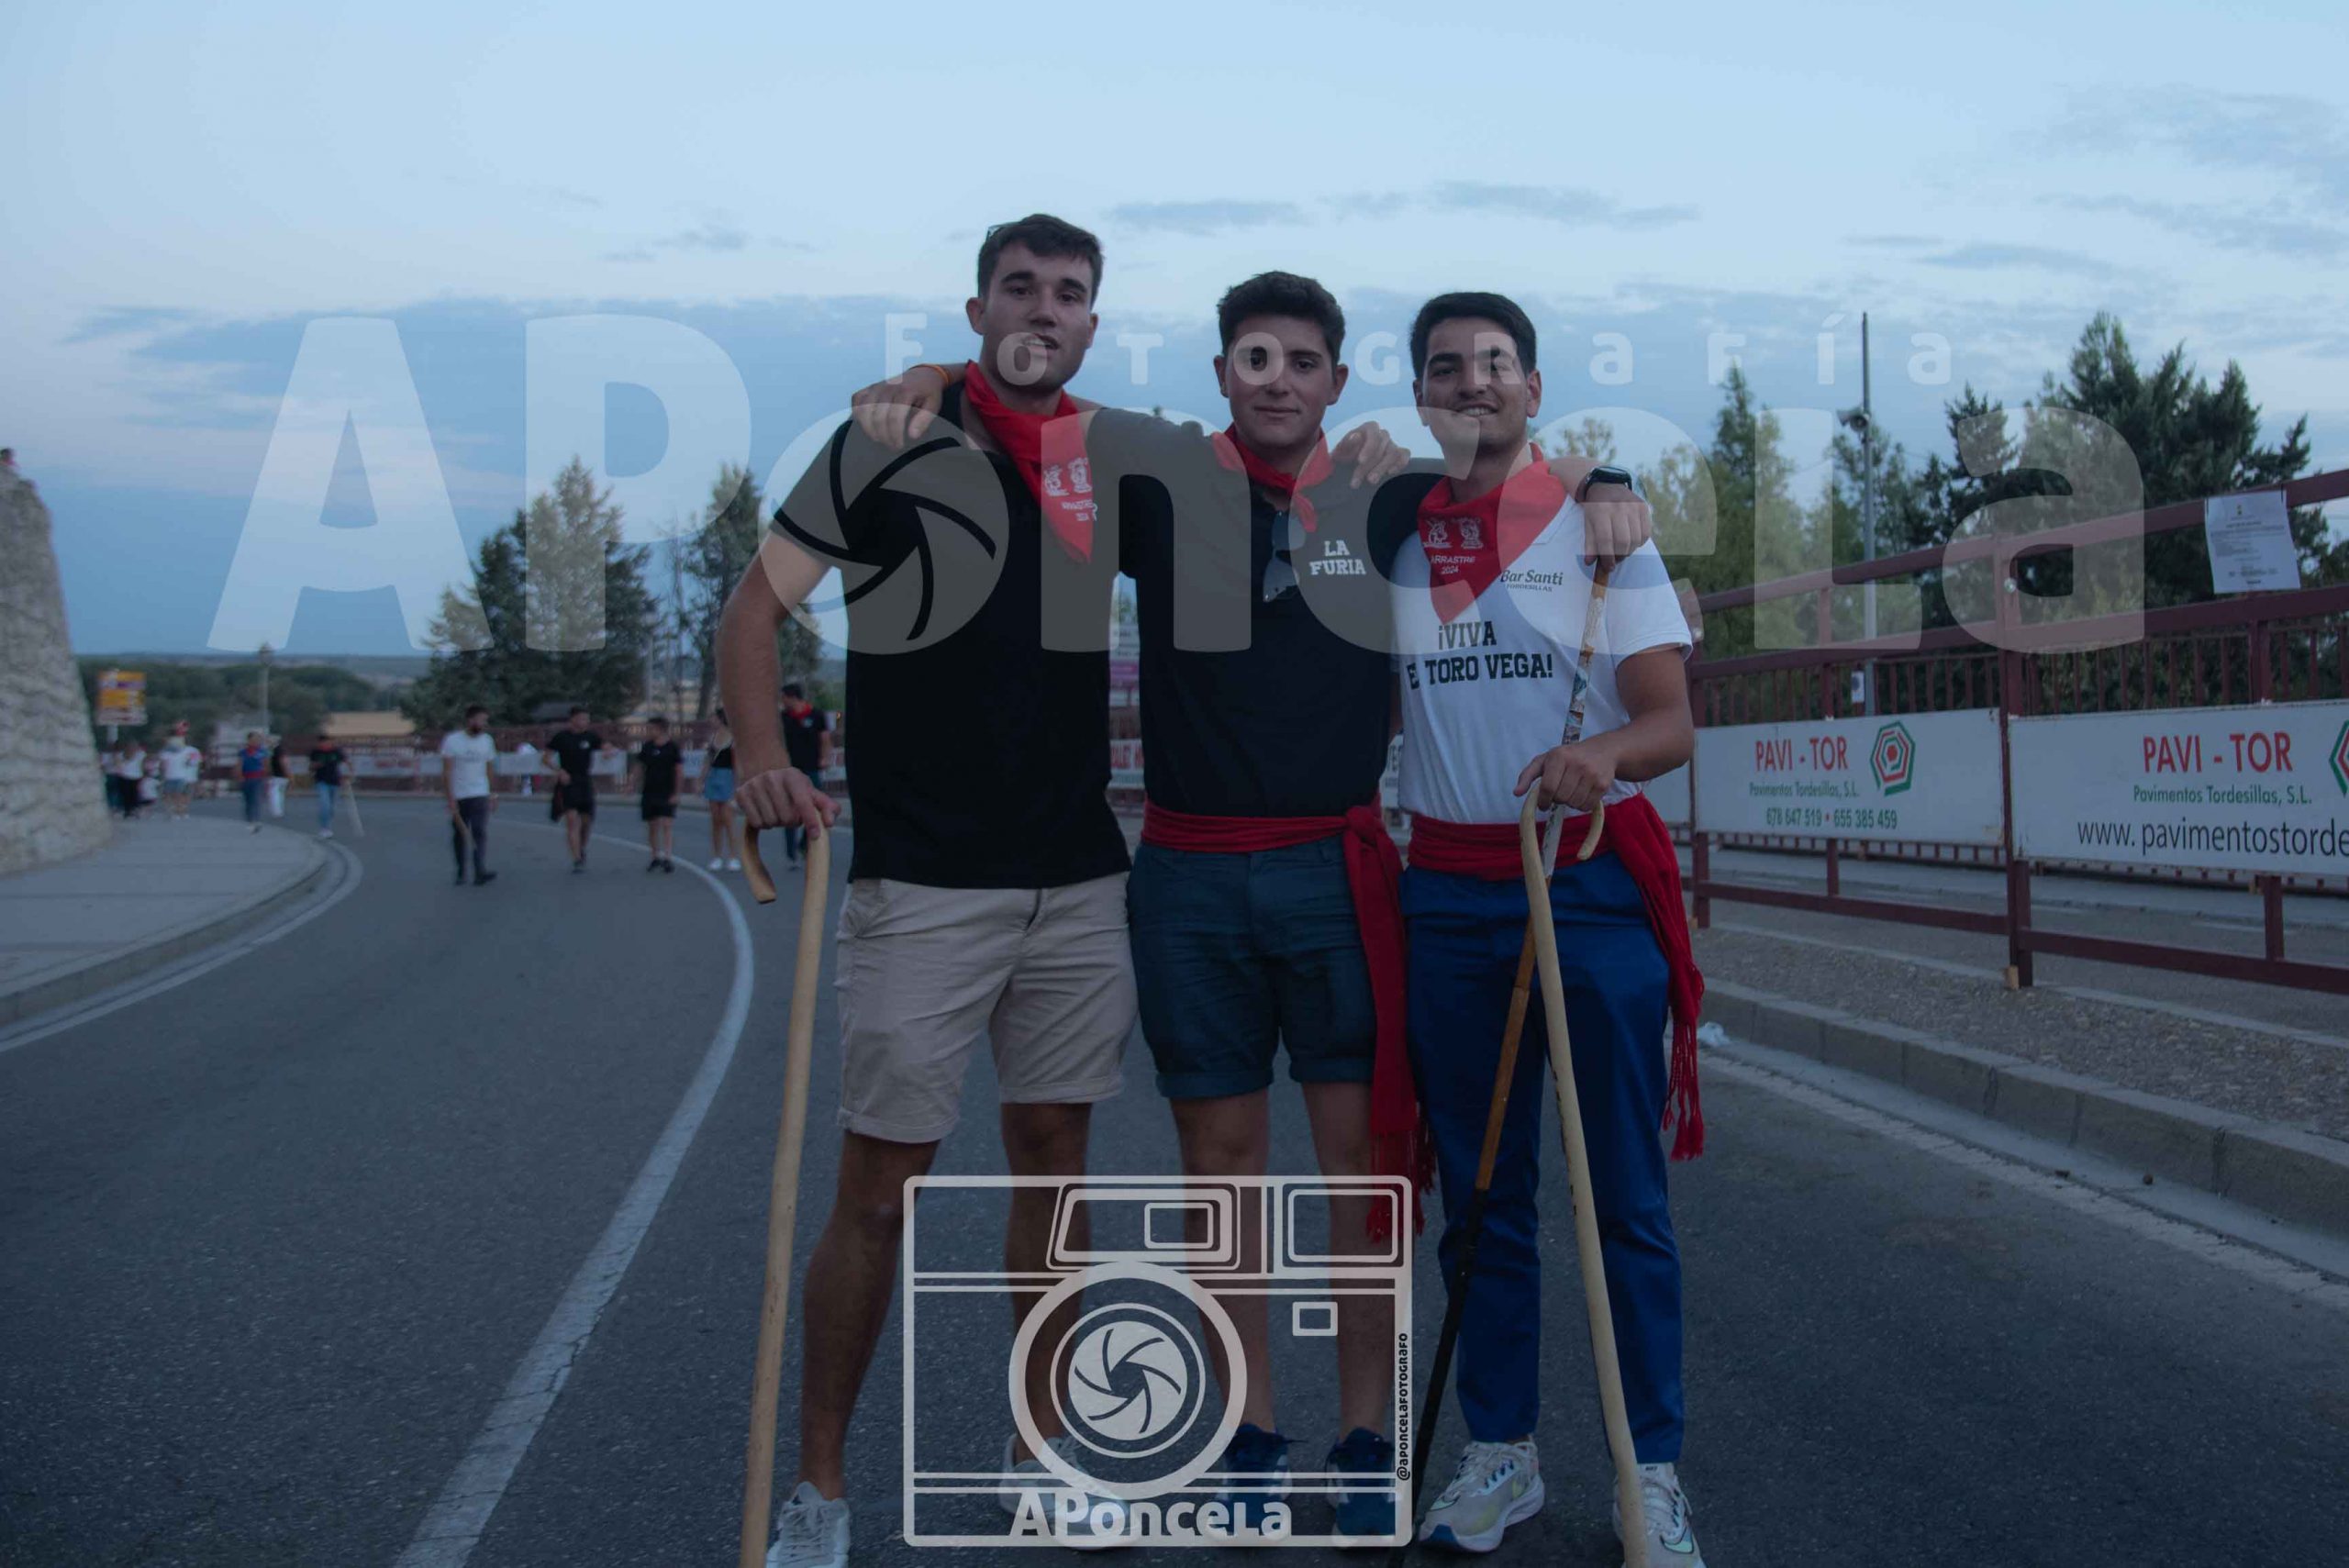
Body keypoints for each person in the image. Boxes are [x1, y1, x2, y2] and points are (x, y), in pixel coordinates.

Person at [853, 273, 1653, 1541]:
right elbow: (1028, 401)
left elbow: (1510, 463)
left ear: (1339, 381)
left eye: (1303, 361)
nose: (1279, 379)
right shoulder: (1158, 475)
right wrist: (932, 381)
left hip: (1334, 872)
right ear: (1222, 373)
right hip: (1190, 873)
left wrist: (1610, 479)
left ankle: (1367, 1436)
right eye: (1254, 358)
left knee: (1360, 1175)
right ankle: (1248, 1433)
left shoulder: (1385, 488)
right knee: (1220, 1174)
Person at [720, 214, 1148, 1565]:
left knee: (1056, 1169)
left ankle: (1041, 1450)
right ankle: (820, 1486)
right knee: (881, 1185)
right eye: (1019, 286)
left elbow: (1280, 479)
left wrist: (1585, 472)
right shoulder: (888, 437)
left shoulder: (1116, 457)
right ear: (977, 311)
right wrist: (762, 758)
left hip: (1074, 872)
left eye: (1068, 293)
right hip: (924, 874)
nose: (1044, 308)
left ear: (1092, 323)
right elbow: (753, 608)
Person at [1376, 294, 1706, 1562]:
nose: (1473, 383)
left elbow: (1669, 724)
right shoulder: (1397, 540)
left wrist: (1601, 754)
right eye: (1446, 368)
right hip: (1452, 899)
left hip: (1584, 884)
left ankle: (1648, 1467)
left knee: (1621, 1193)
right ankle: (1501, 1452)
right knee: (1482, 1199)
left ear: (1532, 388)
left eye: (1496, 364)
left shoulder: (1602, 531)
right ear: (1422, 396)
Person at [439, 706, 499, 886]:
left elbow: (489, 768)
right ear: (470, 720)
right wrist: (450, 798)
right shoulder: (452, 741)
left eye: (485, 720)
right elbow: (447, 771)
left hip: (480, 792)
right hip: (459, 794)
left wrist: (493, 794)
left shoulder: (487, 741)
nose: (484, 724)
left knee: (479, 830)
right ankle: (461, 871)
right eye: (481, 720)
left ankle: (480, 870)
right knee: (460, 833)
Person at [777, 684, 832, 871]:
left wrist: (825, 758)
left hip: (812, 769)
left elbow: (825, 739)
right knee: (791, 812)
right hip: (790, 771)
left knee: (816, 809)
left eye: (784, 697)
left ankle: (803, 845)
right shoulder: (783, 717)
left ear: (793, 697)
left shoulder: (816, 715)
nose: (782, 701)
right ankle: (791, 854)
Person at [543, 706, 605, 872]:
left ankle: (581, 847)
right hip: (568, 782)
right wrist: (559, 771)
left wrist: (609, 751)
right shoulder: (561, 737)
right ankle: (576, 859)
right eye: (583, 718)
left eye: (587, 719)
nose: (586, 722)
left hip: (585, 781)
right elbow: (546, 758)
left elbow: (606, 747)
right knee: (571, 820)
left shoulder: (591, 737)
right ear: (573, 720)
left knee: (586, 821)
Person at [631, 717, 683, 872]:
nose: (648, 731)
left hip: (667, 791)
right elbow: (639, 766)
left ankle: (668, 857)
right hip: (649, 791)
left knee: (667, 824)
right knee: (653, 825)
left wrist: (677, 793)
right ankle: (655, 856)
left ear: (660, 729)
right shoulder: (647, 747)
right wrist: (631, 784)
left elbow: (679, 771)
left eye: (651, 728)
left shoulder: (672, 747)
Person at [703, 707, 741, 871]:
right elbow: (707, 761)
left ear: (721, 719)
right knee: (715, 820)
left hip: (727, 777)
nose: (711, 720)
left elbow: (736, 765)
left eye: (714, 718)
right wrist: (701, 779)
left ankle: (733, 856)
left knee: (728, 819)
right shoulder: (712, 737)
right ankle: (717, 856)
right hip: (713, 777)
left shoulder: (733, 739)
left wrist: (736, 788)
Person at [159, 725, 202, 820]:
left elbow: (194, 763)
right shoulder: (170, 750)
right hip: (179, 775)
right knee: (177, 794)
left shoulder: (192, 750)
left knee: (182, 795)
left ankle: (181, 811)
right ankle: (179, 811)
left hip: (187, 776)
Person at [309, 735, 348, 838]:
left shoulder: (336, 751)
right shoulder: (316, 752)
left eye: (327, 742)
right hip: (321, 781)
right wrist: (316, 765)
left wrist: (348, 775)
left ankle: (328, 823)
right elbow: (311, 767)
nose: (325, 744)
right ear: (319, 743)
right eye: (323, 743)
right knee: (324, 805)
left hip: (334, 781)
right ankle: (325, 828)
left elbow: (346, 762)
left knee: (331, 807)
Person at [237, 732, 270, 831]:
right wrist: (239, 776)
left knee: (256, 799)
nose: (255, 741)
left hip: (258, 778)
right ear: (249, 741)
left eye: (257, 739)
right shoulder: (243, 752)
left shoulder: (262, 752)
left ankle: (256, 820)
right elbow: (239, 765)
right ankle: (249, 819)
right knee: (248, 800)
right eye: (253, 740)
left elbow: (266, 765)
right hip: (246, 778)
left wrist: (266, 776)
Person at [267, 739, 289, 818]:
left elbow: (283, 762)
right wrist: (287, 773)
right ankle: (280, 810)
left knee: (274, 794)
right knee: (280, 794)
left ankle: (276, 811)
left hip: (277, 776)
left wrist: (286, 771)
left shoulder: (277, 750)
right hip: (282, 776)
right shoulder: (280, 750)